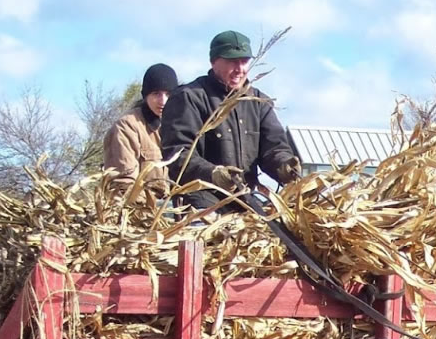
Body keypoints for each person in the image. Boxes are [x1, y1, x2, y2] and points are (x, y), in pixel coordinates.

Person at [160, 30, 301, 212]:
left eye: (244, 61)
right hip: (200, 203)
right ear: (214, 61)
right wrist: (214, 174)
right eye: (233, 61)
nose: (240, 69)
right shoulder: (189, 98)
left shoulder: (258, 102)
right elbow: (177, 155)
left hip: (246, 202)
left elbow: (274, 147)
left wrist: (284, 165)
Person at [103, 63, 178, 193]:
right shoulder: (127, 127)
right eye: (156, 94)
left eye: (168, 94)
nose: (163, 101)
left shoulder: (182, 126)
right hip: (143, 210)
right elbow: (124, 186)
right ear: (145, 95)